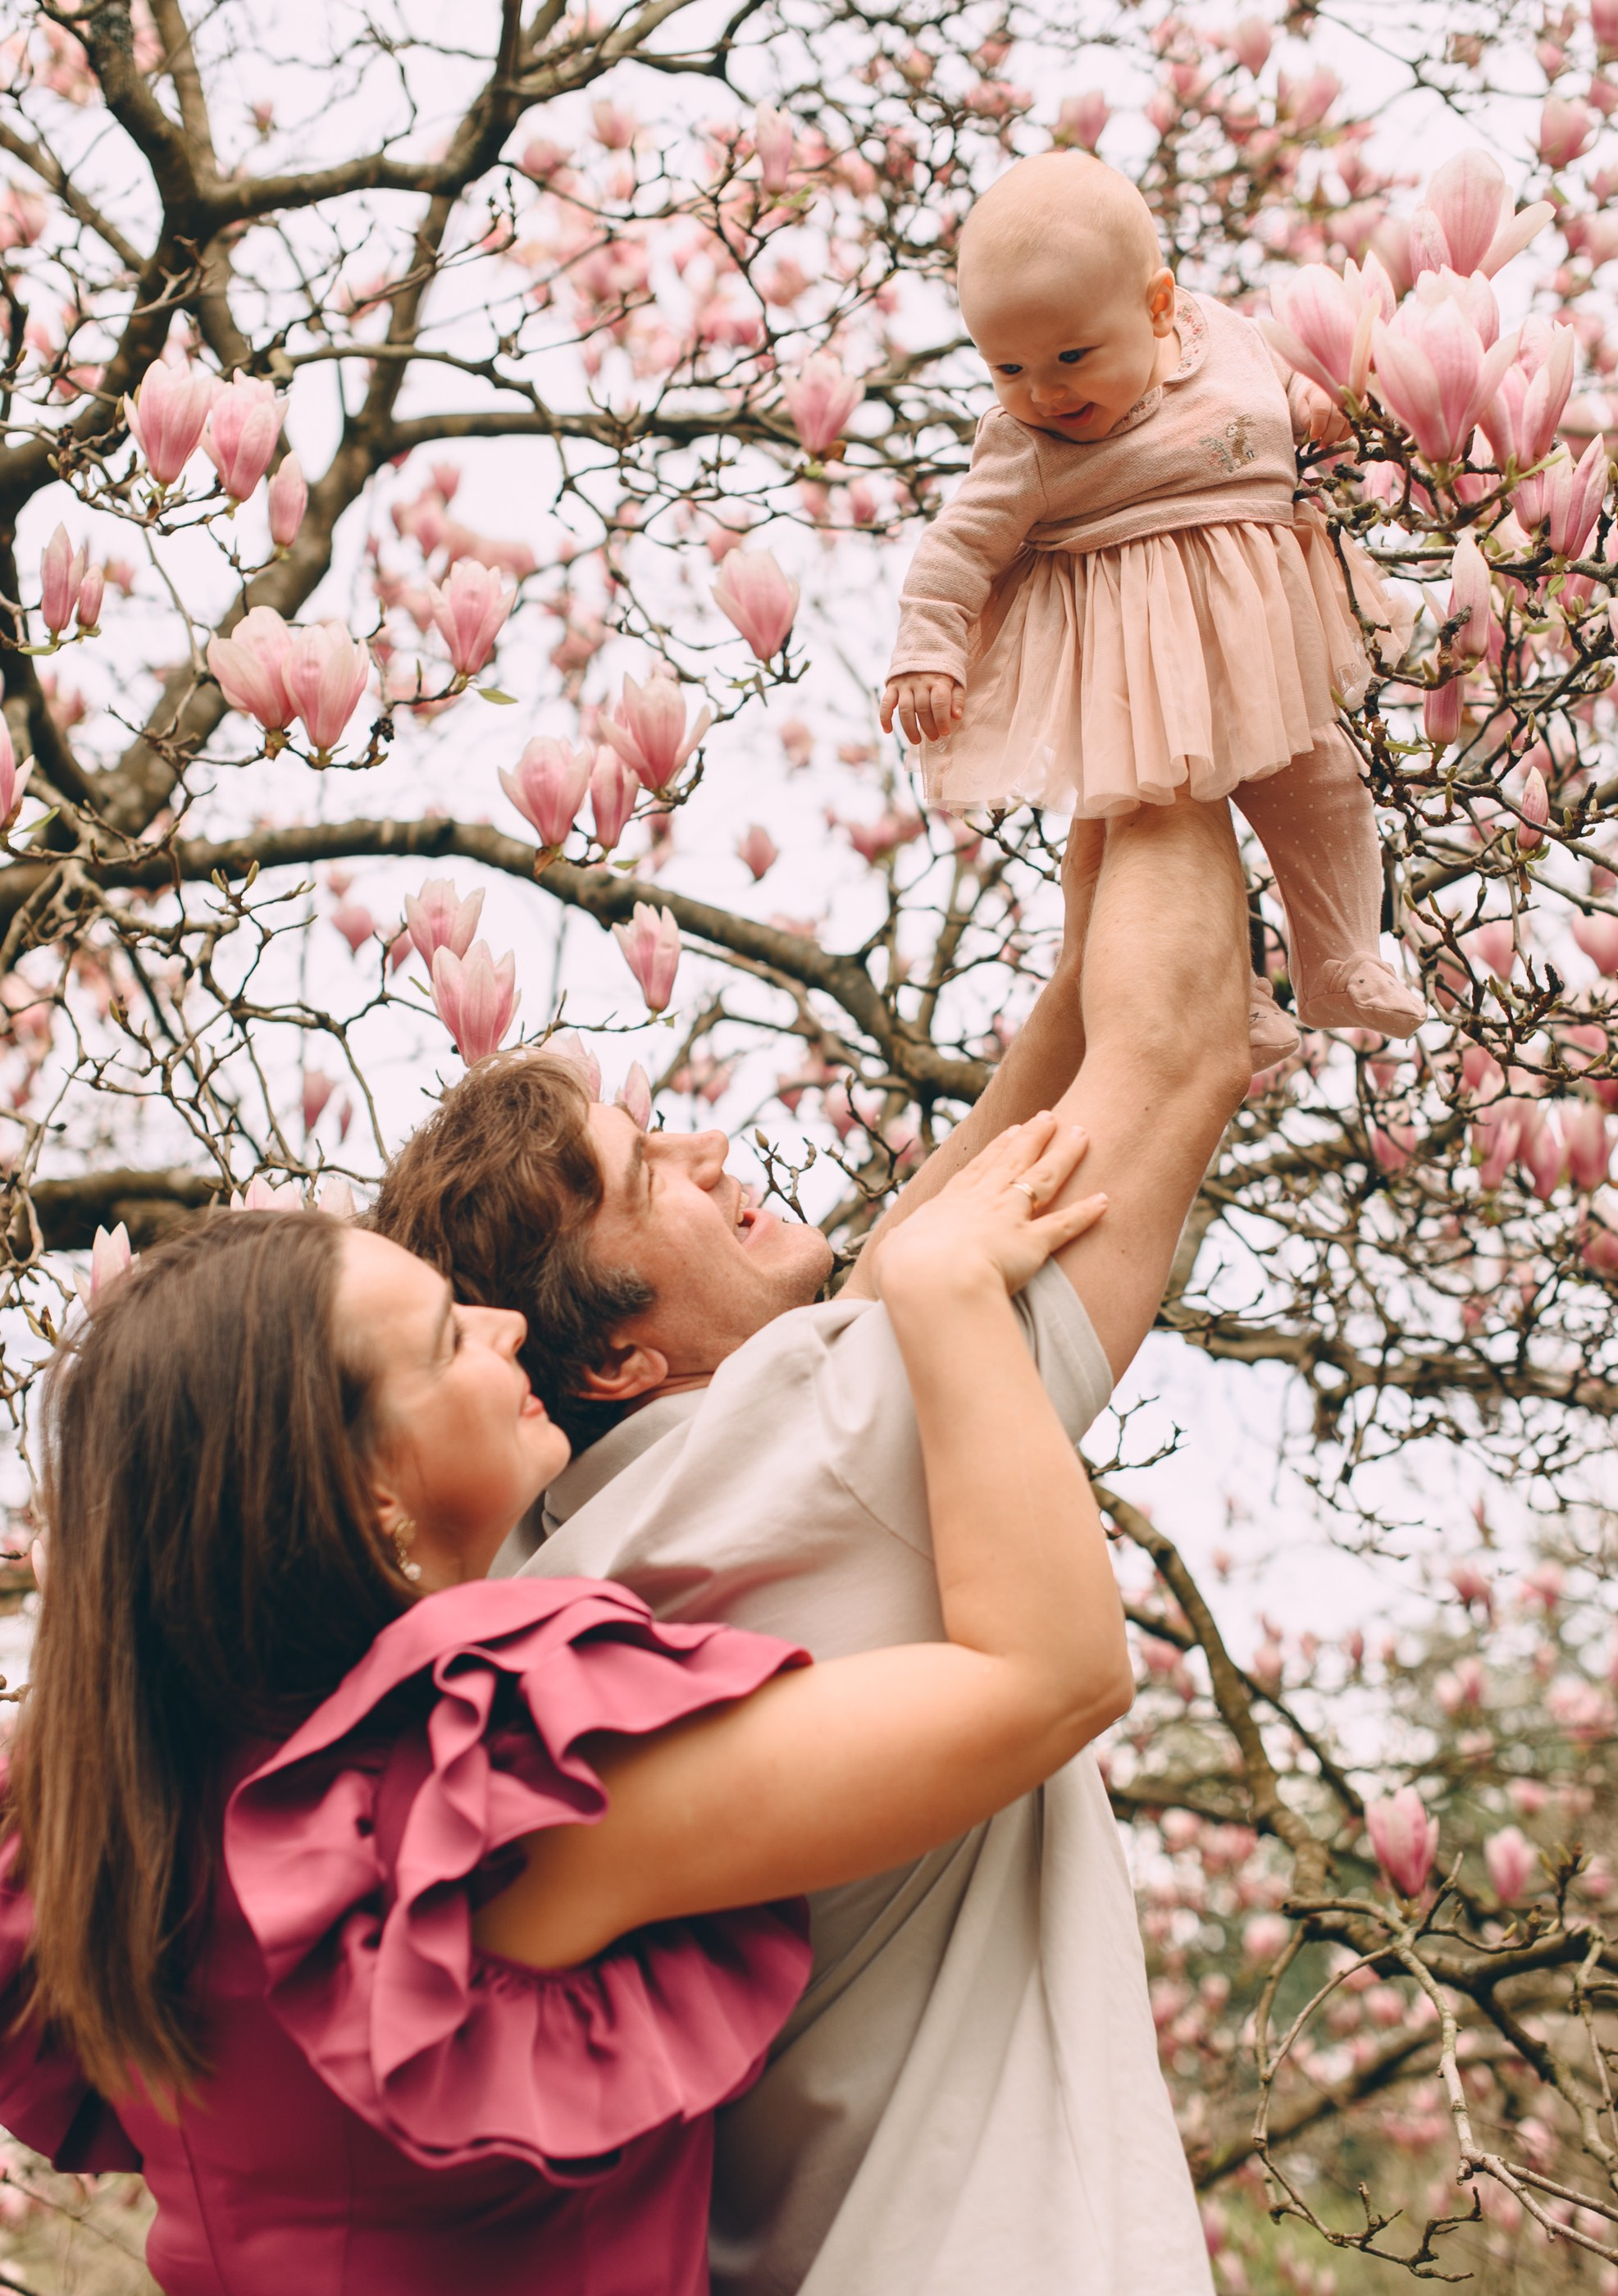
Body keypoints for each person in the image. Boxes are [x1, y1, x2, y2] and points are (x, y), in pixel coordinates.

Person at [368, 789, 1251, 2296]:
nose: (709, 1145)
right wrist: (1166, 653)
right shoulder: (833, 1435)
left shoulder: (553, 1567)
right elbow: (1176, 1045)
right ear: (617, 1361)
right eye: (650, 1174)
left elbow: (953, 1216)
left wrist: (1079, 910)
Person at [0, 1124, 1127, 2296]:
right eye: (449, 1339)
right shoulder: (465, 1801)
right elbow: (1050, 1679)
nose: (509, 1329)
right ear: (371, 1484)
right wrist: (947, 1295)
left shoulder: (137, 1812)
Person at [878, 148, 1424, 1071]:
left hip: (1261, 643)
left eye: (1071, 357)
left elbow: (1283, 397)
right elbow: (957, 548)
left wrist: (1313, 400)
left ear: (1159, 306)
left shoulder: (1233, 343)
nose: (1043, 392)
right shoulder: (1022, 448)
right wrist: (927, 651)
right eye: (1006, 366)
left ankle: (1341, 957)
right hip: (1138, 669)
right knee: (1161, 841)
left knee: (1324, 788)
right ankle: (1223, 996)